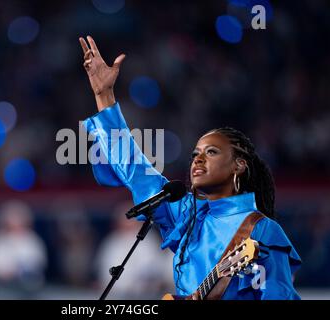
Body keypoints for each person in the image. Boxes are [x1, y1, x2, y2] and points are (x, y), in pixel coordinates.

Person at [78, 35, 301, 300]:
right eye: (196, 153)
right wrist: (104, 95)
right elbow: (135, 169)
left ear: (239, 165)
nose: (198, 159)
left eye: (212, 152)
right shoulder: (188, 214)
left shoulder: (261, 230)